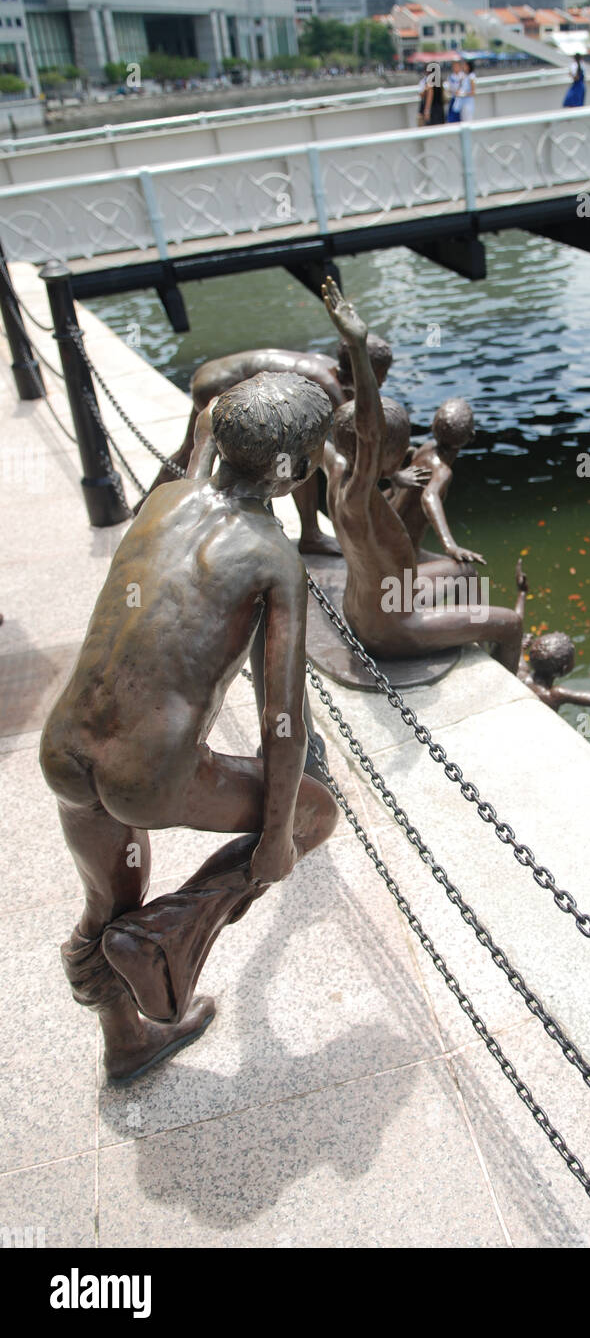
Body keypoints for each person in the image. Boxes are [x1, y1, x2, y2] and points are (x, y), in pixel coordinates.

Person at [40, 371, 340, 1080]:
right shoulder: (275, 561)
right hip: (150, 777)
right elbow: (282, 723)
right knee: (315, 812)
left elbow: (205, 431)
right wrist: (272, 844)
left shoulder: (166, 498)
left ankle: (126, 1040)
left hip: (65, 747)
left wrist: (218, 416)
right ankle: (167, 930)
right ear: (293, 471)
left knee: (104, 903)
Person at [319, 277, 528, 670]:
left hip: (379, 600)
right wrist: (359, 349)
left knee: (465, 572)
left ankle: (468, 630)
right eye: (398, 448)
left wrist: (391, 475)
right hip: (393, 626)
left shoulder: (335, 467)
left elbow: (352, 432)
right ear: (382, 453)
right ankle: (504, 674)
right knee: (512, 623)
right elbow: (367, 431)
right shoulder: (359, 490)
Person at [142, 333, 393, 555]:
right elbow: (352, 442)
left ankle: (142, 510)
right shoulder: (330, 387)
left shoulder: (331, 371)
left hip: (210, 376)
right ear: (365, 370)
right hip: (224, 385)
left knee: (190, 449)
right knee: (294, 457)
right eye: (379, 376)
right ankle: (307, 534)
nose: (381, 383)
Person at [388, 397, 485, 572]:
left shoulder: (426, 448)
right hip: (402, 553)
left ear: (433, 428)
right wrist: (451, 546)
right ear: (472, 436)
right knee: (468, 572)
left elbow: (408, 457)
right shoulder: (442, 471)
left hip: (385, 537)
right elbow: (429, 496)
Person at [454, 58, 476, 123]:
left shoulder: (471, 76)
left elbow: (473, 92)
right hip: (462, 103)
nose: (463, 67)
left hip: (468, 103)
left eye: (465, 65)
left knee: (468, 121)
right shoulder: (464, 76)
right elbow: (461, 87)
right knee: (463, 121)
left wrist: (463, 94)